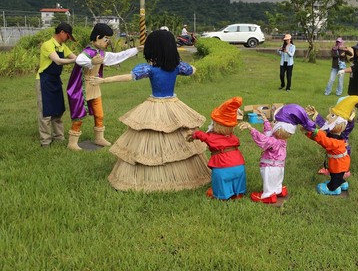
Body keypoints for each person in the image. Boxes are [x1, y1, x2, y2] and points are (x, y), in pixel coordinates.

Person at [90, 29, 211, 192]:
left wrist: (104, 80)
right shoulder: (177, 67)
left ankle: (148, 176)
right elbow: (192, 70)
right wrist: (186, 64)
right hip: (172, 104)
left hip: (155, 104)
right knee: (176, 134)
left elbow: (129, 76)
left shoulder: (149, 69)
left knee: (150, 135)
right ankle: (178, 175)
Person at [66, 23, 141, 151]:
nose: (107, 42)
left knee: (99, 114)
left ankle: (99, 137)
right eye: (106, 39)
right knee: (79, 114)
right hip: (82, 88)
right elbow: (79, 60)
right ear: (98, 37)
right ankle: (72, 142)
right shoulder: (88, 52)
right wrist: (91, 62)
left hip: (95, 86)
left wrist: (135, 50)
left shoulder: (101, 53)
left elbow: (117, 56)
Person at [238, 105, 305, 204]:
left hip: (270, 167)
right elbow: (270, 132)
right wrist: (265, 119)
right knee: (277, 180)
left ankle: (268, 195)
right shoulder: (281, 139)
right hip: (279, 167)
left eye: (275, 122)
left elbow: (263, 139)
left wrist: (251, 128)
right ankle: (278, 190)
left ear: (279, 128)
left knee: (268, 182)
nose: (273, 123)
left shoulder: (273, 141)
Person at [188, 97, 246, 200]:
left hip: (222, 166)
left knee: (219, 178)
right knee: (237, 177)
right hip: (239, 166)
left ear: (216, 124)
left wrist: (194, 134)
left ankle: (221, 195)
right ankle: (238, 193)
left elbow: (202, 135)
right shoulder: (233, 138)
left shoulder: (212, 137)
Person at [301, 96, 358, 195]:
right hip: (339, 162)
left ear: (340, 122)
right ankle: (342, 183)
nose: (328, 117)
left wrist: (314, 132)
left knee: (336, 175)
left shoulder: (338, 139)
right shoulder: (334, 133)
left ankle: (333, 188)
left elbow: (324, 140)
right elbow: (325, 128)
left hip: (339, 164)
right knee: (337, 175)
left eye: (332, 116)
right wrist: (311, 131)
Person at [36, 22, 77, 147]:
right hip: (44, 80)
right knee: (46, 112)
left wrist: (86, 59)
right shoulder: (47, 45)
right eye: (68, 37)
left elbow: (75, 57)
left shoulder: (62, 46)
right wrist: (74, 61)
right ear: (62, 33)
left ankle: (59, 137)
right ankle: (45, 141)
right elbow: (58, 61)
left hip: (55, 80)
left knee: (58, 110)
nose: (68, 40)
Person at [305, 96, 355, 178]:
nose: (329, 116)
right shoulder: (335, 123)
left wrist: (350, 118)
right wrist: (316, 114)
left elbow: (348, 125)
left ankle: (344, 172)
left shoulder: (343, 125)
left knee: (339, 162)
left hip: (341, 150)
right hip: (332, 149)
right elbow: (326, 125)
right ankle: (330, 169)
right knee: (332, 159)